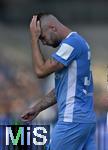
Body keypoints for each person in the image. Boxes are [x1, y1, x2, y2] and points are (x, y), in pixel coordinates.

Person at [21, 13, 96, 150]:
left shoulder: (72, 43)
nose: (43, 42)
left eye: (42, 37)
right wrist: (37, 108)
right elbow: (62, 89)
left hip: (72, 120)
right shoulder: (78, 43)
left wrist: (33, 39)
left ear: (52, 28)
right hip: (85, 121)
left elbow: (40, 71)